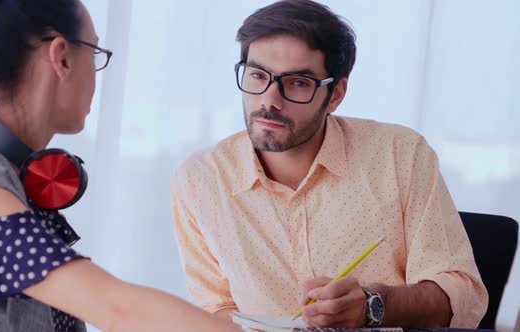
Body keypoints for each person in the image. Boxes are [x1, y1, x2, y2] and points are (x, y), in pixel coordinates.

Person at [171, 0, 488, 328]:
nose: (269, 100)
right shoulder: (200, 179)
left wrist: (371, 305)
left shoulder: (401, 154)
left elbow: (463, 295)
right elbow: (216, 307)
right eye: (257, 75)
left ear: (335, 94)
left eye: (297, 83)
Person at [0, 1, 239, 331]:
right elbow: (118, 310)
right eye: (94, 51)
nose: (95, 71)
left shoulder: (2, 171)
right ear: (62, 57)